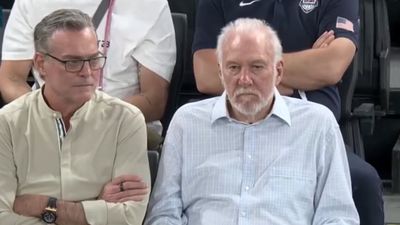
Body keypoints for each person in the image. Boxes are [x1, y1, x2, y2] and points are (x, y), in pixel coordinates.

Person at [145, 18, 359, 225]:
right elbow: (163, 213)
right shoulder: (186, 123)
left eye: (257, 67)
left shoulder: (317, 125)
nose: (244, 79)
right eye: (234, 68)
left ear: (278, 72)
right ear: (220, 72)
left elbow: (338, 216)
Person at [191, 0, 384, 224]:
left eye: (265, 68)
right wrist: (303, 68)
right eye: (236, 66)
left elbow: (332, 64)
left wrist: (247, 69)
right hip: (233, 132)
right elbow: (205, 74)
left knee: (364, 181)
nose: (252, 75)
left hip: (308, 136)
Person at [0, 9, 150, 225]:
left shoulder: (126, 120)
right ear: (41, 64)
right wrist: (95, 209)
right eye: (72, 63)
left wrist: (42, 205)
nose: (87, 72)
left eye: (94, 60)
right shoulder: (6, 123)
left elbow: (129, 216)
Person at [0, 0, 176, 146]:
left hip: (117, 124)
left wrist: (88, 118)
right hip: (43, 123)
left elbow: (153, 100)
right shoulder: (30, 3)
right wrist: (43, 113)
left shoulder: (149, 5)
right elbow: (11, 79)